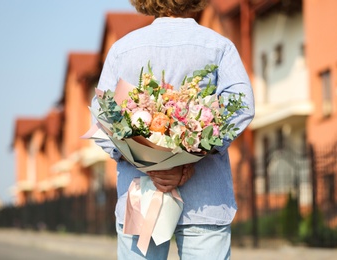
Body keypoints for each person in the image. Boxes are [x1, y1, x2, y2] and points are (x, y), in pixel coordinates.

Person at [91, 0, 255, 259]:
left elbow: (102, 118)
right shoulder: (218, 46)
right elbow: (240, 107)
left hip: (141, 201)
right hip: (205, 201)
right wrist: (191, 157)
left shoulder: (122, 50)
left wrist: (149, 164)